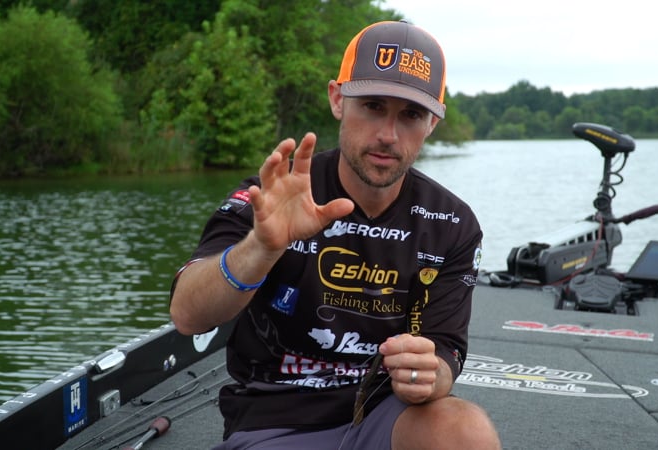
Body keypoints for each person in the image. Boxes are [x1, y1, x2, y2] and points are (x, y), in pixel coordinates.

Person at [170, 20, 501, 450]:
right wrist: (262, 248)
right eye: (373, 106)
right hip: (273, 421)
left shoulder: (451, 223)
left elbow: (446, 350)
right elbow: (188, 315)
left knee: (466, 431)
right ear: (337, 99)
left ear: (433, 123)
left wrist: (431, 375)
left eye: (411, 115)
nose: (388, 135)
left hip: (385, 413)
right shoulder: (273, 195)